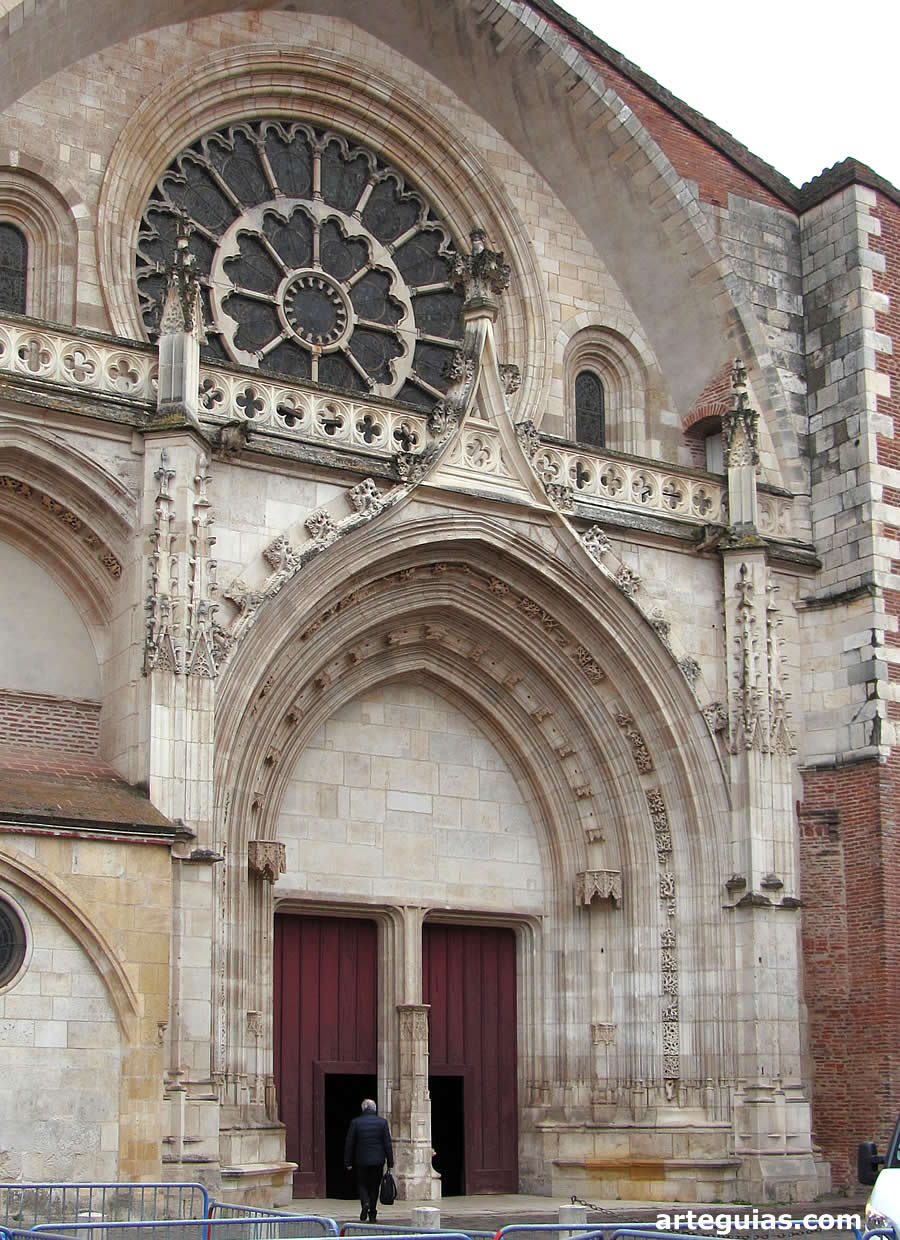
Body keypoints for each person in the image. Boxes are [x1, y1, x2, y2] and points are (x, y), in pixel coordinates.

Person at [344, 1098, 394, 1222]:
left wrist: (348, 1162)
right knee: (374, 1186)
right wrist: (390, 1162)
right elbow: (387, 1143)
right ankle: (372, 1212)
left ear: (363, 1108)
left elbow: (349, 1143)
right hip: (378, 1161)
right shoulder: (382, 1122)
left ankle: (365, 1203)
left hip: (361, 1160)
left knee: (362, 1184)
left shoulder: (356, 1122)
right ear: (374, 1109)